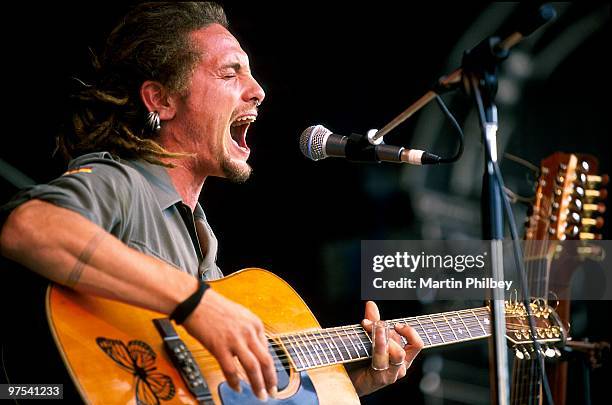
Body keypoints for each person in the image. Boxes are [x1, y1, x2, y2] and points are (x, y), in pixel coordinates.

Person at [0, 2, 423, 401]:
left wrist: (350, 383)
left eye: (252, 75)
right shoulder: (121, 183)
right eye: (229, 73)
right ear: (161, 100)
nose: (258, 91)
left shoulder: (202, 242)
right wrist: (197, 303)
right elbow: (30, 228)